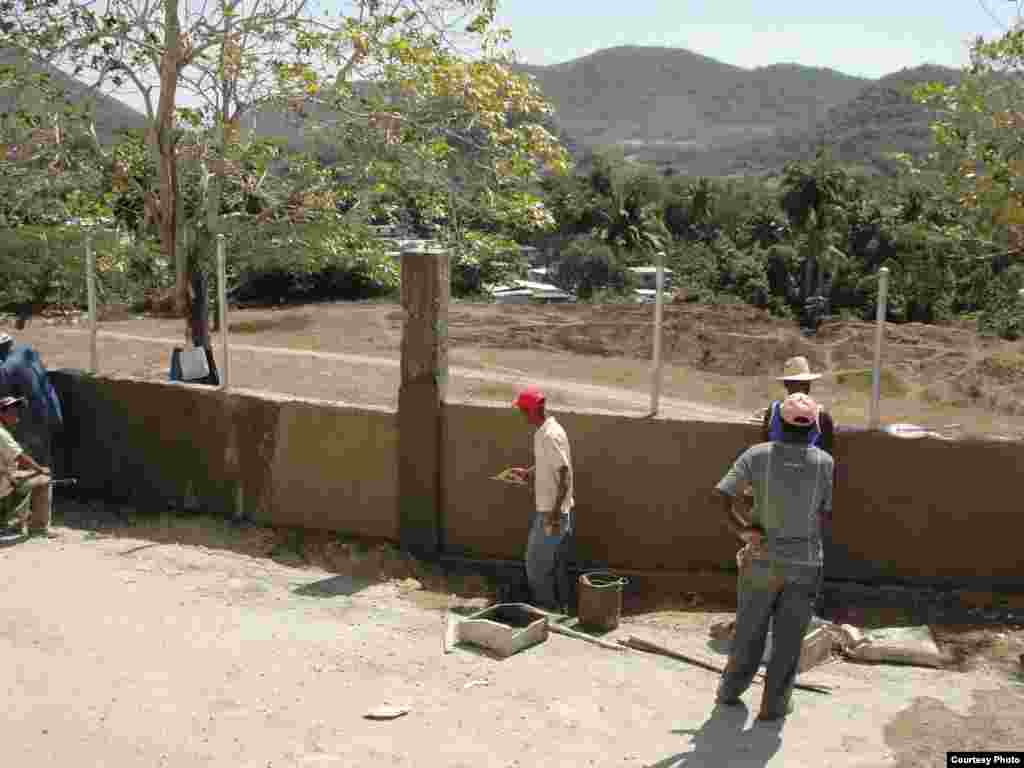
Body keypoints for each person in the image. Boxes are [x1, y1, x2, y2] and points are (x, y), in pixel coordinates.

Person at [712, 392, 834, 722]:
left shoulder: (756, 455)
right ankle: (775, 705)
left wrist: (743, 531)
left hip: (761, 560)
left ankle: (730, 692)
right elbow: (823, 515)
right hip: (805, 563)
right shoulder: (824, 462)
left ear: (778, 422)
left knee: (749, 631)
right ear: (814, 428)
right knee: (789, 639)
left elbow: (721, 495)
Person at [506, 388, 575, 612]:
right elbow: (551, 464)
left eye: (522, 411)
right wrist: (529, 473)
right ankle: (559, 607)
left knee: (535, 566)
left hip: (552, 513)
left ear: (530, 411)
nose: (521, 416)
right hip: (554, 511)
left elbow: (565, 474)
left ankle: (546, 610)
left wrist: (554, 513)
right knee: (555, 566)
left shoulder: (549, 435)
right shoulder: (546, 431)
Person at [0, 332, 63, 472]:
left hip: (31, 423)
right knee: (45, 463)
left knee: (33, 467)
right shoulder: (28, 351)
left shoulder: (5, 368)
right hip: (51, 411)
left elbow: (5, 403)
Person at [0, 396, 55, 538]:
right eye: (11, 411)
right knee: (44, 478)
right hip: (3, 481)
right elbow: (20, 456)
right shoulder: (2, 433)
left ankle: (18, 523)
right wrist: (39, 469)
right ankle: (39, 527)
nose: (16, 414)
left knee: (26, 478)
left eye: (16, 410)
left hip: (6, 476)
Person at [761, 356, 834, 455]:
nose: (802, 388)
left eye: (804, 383)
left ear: (785, 384)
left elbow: (765, 448)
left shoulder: (773, 412)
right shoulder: (821, 416)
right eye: (798, 383)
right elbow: (827, 457)